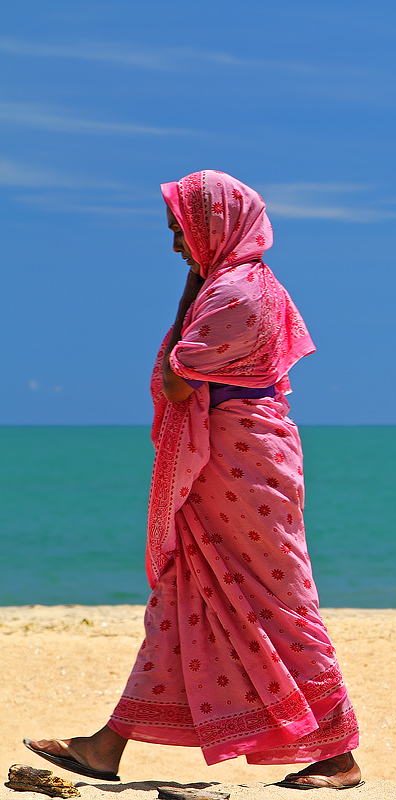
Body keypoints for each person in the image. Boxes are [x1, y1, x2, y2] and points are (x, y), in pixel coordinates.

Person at [25, 170, 362, 790]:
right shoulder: (240, 284)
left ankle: (338, 752)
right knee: (188, 591)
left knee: (276, 600)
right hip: (229, 456)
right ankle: (107, 745)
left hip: (239, 459)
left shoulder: (235, 293)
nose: (178, 245)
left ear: (215, 225)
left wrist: (189, 291)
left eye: (182, 230)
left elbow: (179, 380)